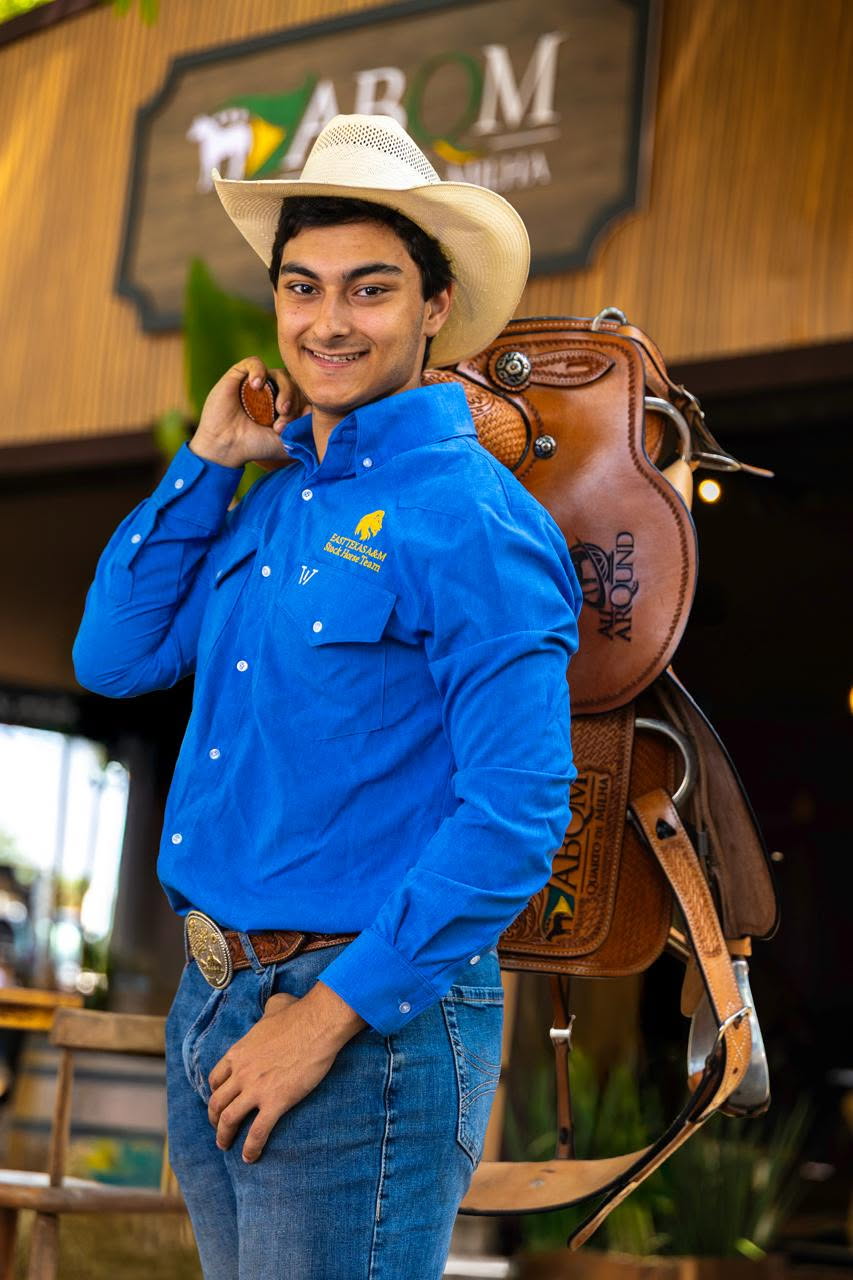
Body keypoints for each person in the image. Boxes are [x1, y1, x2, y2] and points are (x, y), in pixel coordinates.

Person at [73, 114, 582, 1279]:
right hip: (215, 1002)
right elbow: (112, 656)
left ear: (435, 303)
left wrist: (327, 1015)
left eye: (370, 288)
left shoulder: (474, 520)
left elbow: (516, 812)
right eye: (301, 288)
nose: (329, 321)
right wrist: (206, 462)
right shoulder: (275, 497)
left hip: (360, 1025)